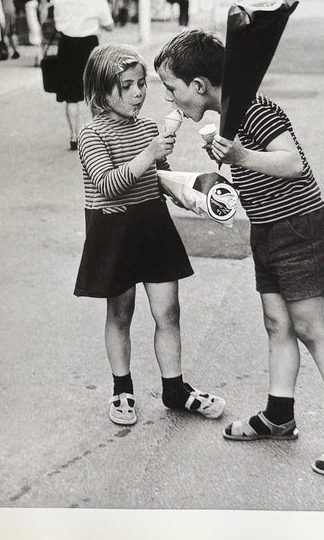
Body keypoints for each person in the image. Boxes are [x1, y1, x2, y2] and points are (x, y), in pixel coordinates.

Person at [154, 30, 324, 476]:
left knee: (311, 328)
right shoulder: (230, 116)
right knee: (277, 325)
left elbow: (292, 163)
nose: (170, 100)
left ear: (198, 85)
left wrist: (240, 155)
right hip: (268, 232)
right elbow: (248, 179)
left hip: (300, 229)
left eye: (171, 88)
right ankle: (279, 414)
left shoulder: (256, 109)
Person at [75, 44, 225, 427]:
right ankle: (122, 387)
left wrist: (187, 193)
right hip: (114, 229)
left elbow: (157, 178)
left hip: (153, 225)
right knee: (120, 313)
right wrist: (149, 154)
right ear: (100, 91)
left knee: (168, 312)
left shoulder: (148, 128)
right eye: (126, 86)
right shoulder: (91, 135)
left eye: (142, 84)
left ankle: (174, 389)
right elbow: (109, 185)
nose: (139, 93)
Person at [50, 0, 114, 150]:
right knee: (94, 90)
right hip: (89, 46)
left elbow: (57, 23)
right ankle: (97, 135)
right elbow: (109, 25)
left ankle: (74, 135)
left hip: (66, 45)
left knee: (71, 93)